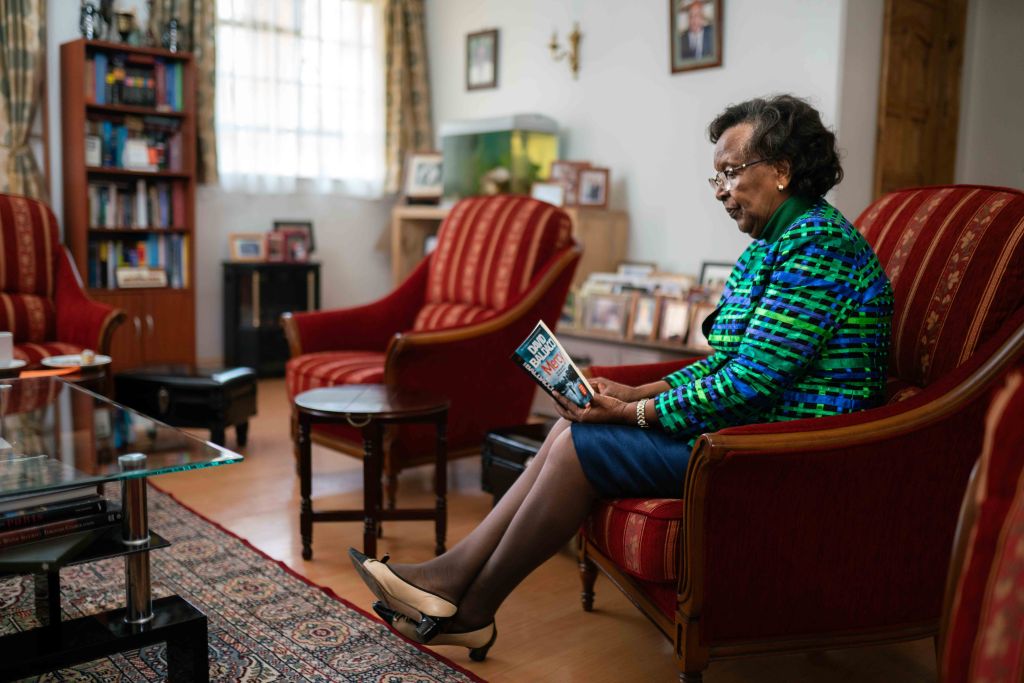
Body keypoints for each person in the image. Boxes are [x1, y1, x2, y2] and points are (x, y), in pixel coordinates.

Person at [351, 94, 895, 661]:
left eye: (731, 173)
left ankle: (468, 603)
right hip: (744, 431)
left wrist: (635, 413)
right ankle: (455, 587)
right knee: (569, 429)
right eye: (716, 178)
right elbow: (730, 362)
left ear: (781, 169)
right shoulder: (772, 245)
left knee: (579, 444)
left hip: (783, 452)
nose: (720, 191)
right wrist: (639, 392)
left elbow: (750, 384)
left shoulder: (817, 244)